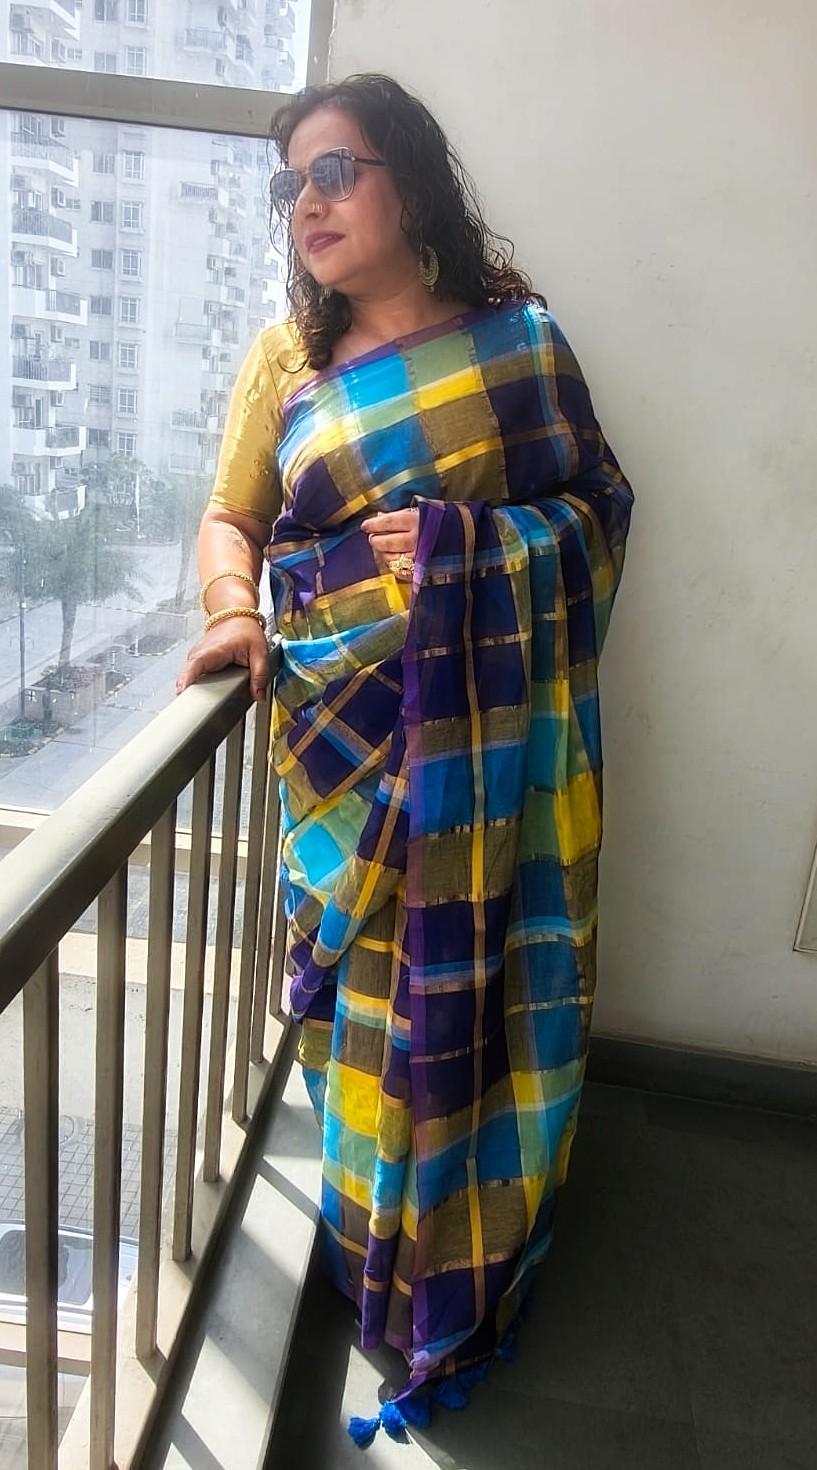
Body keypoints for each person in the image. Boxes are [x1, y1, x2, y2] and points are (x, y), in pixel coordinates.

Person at [177, 73, 633, 1444]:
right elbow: (231, 518)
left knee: (482, 996)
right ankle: (379, 1254)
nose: (306, 206)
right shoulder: (287, 361)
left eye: (335, 173)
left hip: (488, 779)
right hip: (340, 760)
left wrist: (471, 549)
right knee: (367, 1020)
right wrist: (233, 611)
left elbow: (598, 512)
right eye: (290, 186)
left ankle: (466, 1273)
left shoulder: (519, 345)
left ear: (411, 184)